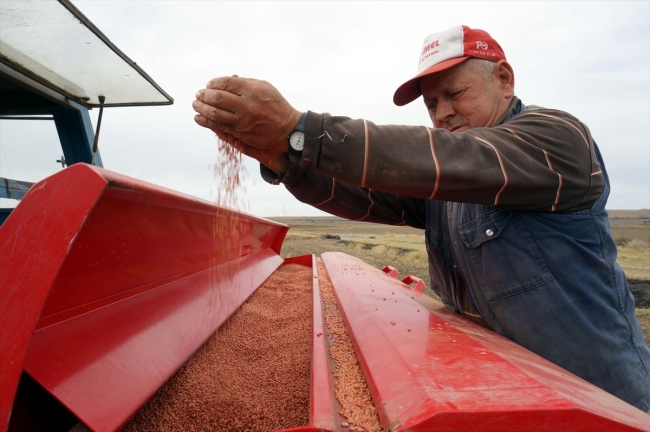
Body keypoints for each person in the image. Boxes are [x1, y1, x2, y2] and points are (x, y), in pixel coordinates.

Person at [192, 25, 650, 411]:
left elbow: (450, 159)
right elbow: (373, 194)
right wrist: (287, 158)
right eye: (431, 104)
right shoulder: (449, 190)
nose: (443, 113)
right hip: (507, 393)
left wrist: (301, 129)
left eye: (454, 93)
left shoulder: (556, 140)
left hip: (601, 398)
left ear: (504, 79)